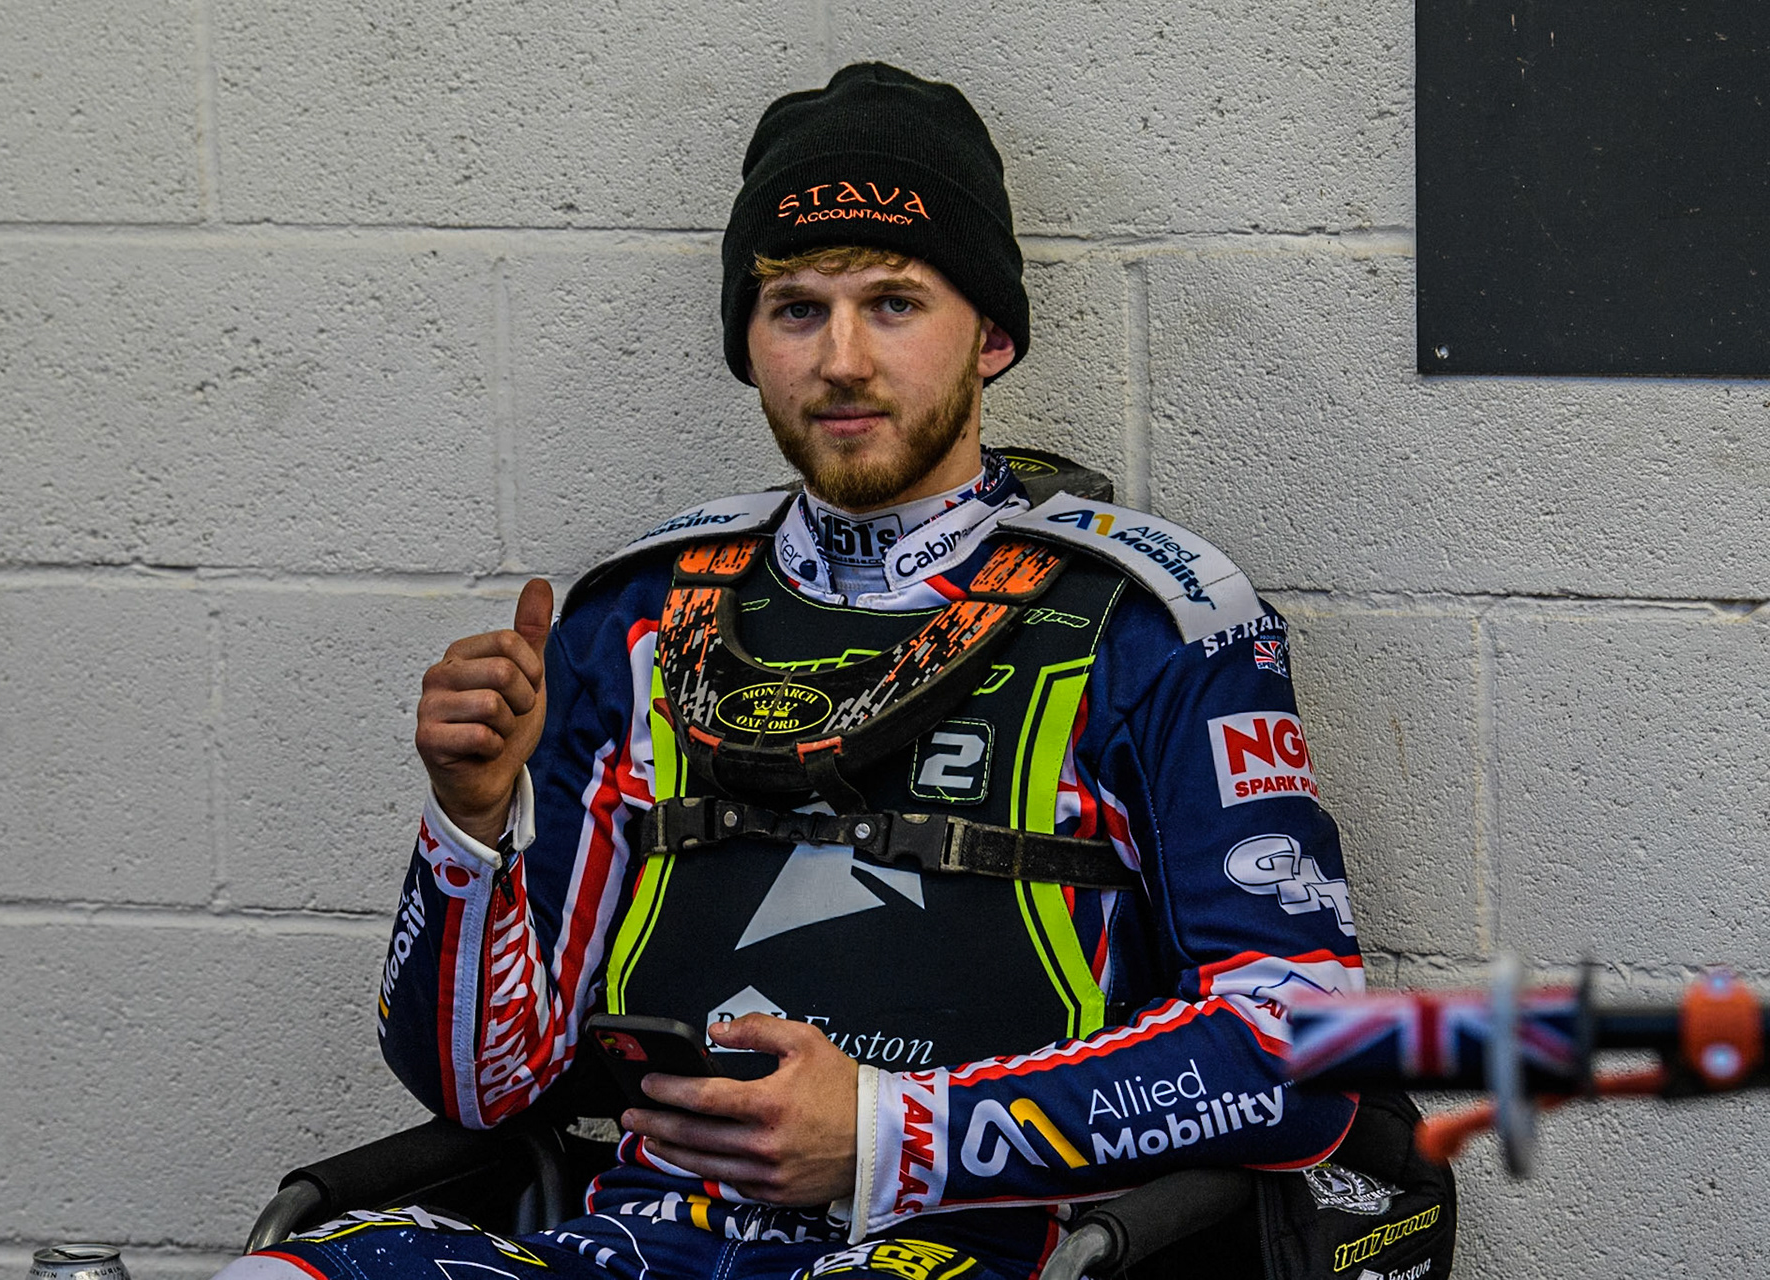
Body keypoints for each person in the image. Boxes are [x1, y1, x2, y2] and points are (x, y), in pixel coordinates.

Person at [220, 62, 1369, 1280]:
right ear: (748, 342)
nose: (843, 360)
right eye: (797, 309)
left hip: (970, 1244)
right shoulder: (634, 612)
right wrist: (471, 830)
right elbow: (487, 1083)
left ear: (990, 333)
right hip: (639, 1236)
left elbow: (1301, 1043)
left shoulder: (1154, 619)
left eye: (893, 302)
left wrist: (889, 1130)